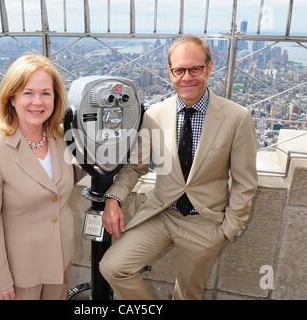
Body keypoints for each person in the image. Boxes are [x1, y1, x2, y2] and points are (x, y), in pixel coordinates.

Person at [99, 36, 258, 300]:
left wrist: (228, 230)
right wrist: (113, 199)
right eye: (179, 70)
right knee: (113, 267)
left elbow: (245, 182)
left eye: (195, 69)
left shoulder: (237, 117)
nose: (187, 77)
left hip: (205, 222)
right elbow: (136, 166)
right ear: (169, 73)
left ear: (209, 67)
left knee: (188, 294)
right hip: (162, 214)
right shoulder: (155, 114)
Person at [0, 54, 84, 300]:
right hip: (21, 271)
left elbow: (79, 175)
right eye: (27, 93)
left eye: (46, 93)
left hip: (60, 260)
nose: (38, 102)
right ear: (11, 97)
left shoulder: (62, 138)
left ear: (56, 98)